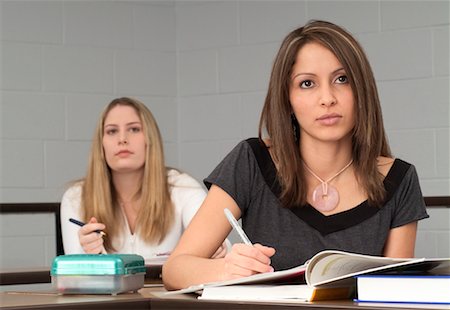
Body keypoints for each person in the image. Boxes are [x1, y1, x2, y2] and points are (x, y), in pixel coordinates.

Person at [162, 20, 429, 290]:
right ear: (287, 99)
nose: (327, 98)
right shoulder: (251, 160)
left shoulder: (399, 178)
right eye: (307, 83)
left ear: (362, 90)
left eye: (342, 79)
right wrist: (225, 269)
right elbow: (175, 270)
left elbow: (397, 292)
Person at [61, 97, 228, 260]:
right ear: (101, 143)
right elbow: (72, 276)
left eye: (134, 129)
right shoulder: (76, 197)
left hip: (168, 288)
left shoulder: (181, 187)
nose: (122, 139)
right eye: (112, 131)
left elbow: (224, 246)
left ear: (149, 138)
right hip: (107, 289)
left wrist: (218, 249)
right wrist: (87, 253)